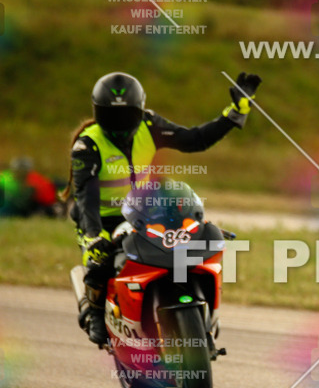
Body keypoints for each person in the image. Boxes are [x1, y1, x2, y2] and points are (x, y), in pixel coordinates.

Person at [63, 70, 261, 346]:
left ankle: (192, 310)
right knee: (100, 261)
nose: (119, 124)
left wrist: (234, 114)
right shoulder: (87, 144)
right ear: (98, 113)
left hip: (143, 211)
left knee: (179, 245)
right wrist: (95, 235)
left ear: (139, 109)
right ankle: (95, 312)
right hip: (100, 219)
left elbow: (195, 139)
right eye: (111, 116)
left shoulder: (149, 124)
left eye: (126, 115)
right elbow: (85, 196)